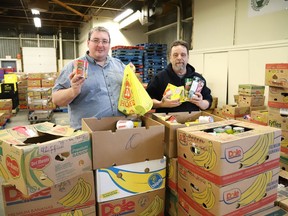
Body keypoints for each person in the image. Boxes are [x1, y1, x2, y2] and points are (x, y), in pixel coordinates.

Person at [52, 26, 126, 130]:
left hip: (119, 129)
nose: (100, 45)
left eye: (105, 41)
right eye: (95, 40)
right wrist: (73, 91)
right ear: (88, 43)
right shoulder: (74, 66)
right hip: (87, 132)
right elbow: (56, 99)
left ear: (109, 44)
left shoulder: (119, 65)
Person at [146, 40, 213, 113]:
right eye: (175, 55)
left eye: (183, 55)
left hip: (192, 121)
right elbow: (147, 101)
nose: (179, 58)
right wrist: (161, 104)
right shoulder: (159, 78)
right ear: (170, 58)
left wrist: (201, 103)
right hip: (167, 122)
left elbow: (208, 101)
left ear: (188, 57)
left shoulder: (198, 79)